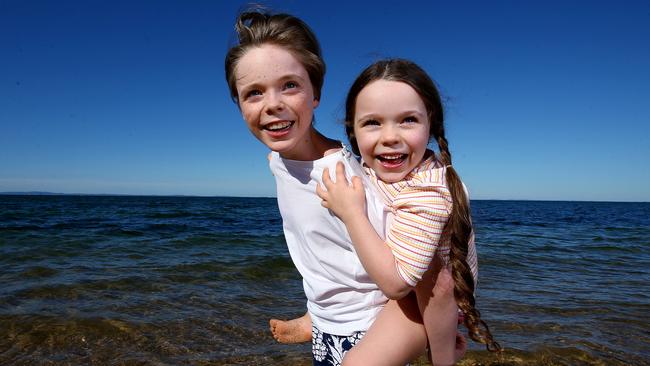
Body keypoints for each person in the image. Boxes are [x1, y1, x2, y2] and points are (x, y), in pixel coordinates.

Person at [225, 10, 465, 365]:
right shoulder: (278, 161)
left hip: (371, 325)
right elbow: (319, 247)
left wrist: (438, 343)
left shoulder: (344, 178)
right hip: (330, 319)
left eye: (290, 85)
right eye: (254, 93)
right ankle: (315, 315)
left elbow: (420, 278)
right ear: (240, 105)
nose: (273, 104)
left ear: (315, 93)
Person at [315, 59, 502, 364]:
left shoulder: (429, 191)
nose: (389, 136)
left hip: (429, 294)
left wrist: (352, 214)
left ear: (431, 125)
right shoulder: (369, 164)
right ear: (354, 129)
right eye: (372, 122)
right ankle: (314, 316)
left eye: (407, 120)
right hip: (408, 275)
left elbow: (397, 283)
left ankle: (445, 360)